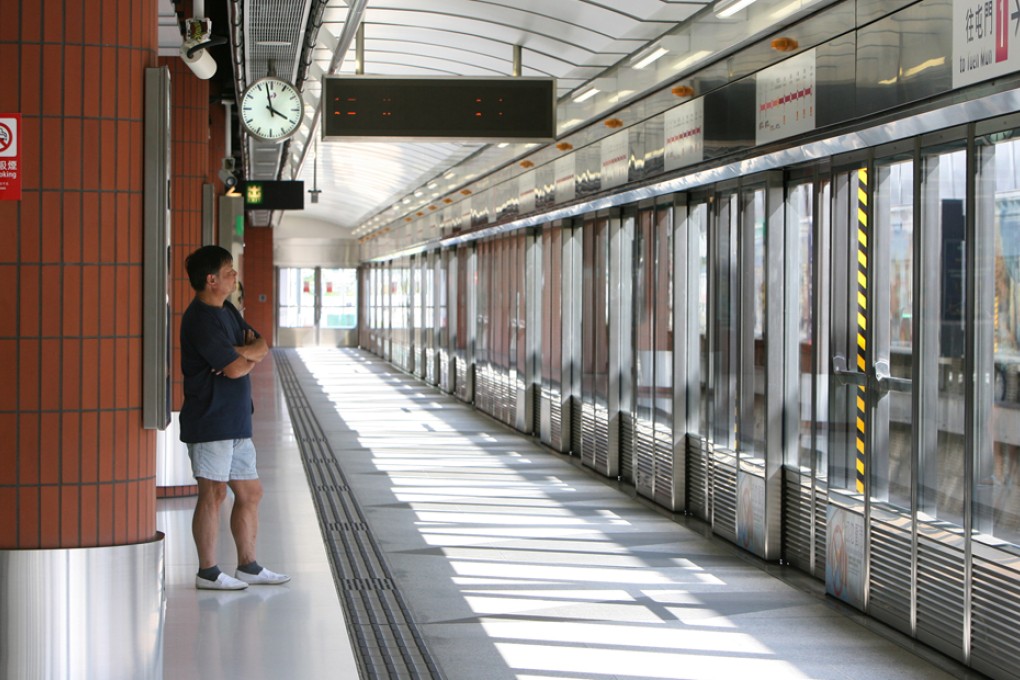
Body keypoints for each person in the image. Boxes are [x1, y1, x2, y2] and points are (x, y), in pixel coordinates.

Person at [180, 245, 290, 590]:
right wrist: (242, 359)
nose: (234, 275)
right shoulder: (199, 319)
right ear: (211, 279)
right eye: (228, 271)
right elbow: (234, 370)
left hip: (237, 419)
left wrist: (241, 354)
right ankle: (208, 572)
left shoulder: (227, 309)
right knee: (213, 494)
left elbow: (261, 345)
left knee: (251, 492)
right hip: (211, 420)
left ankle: (248, 566)